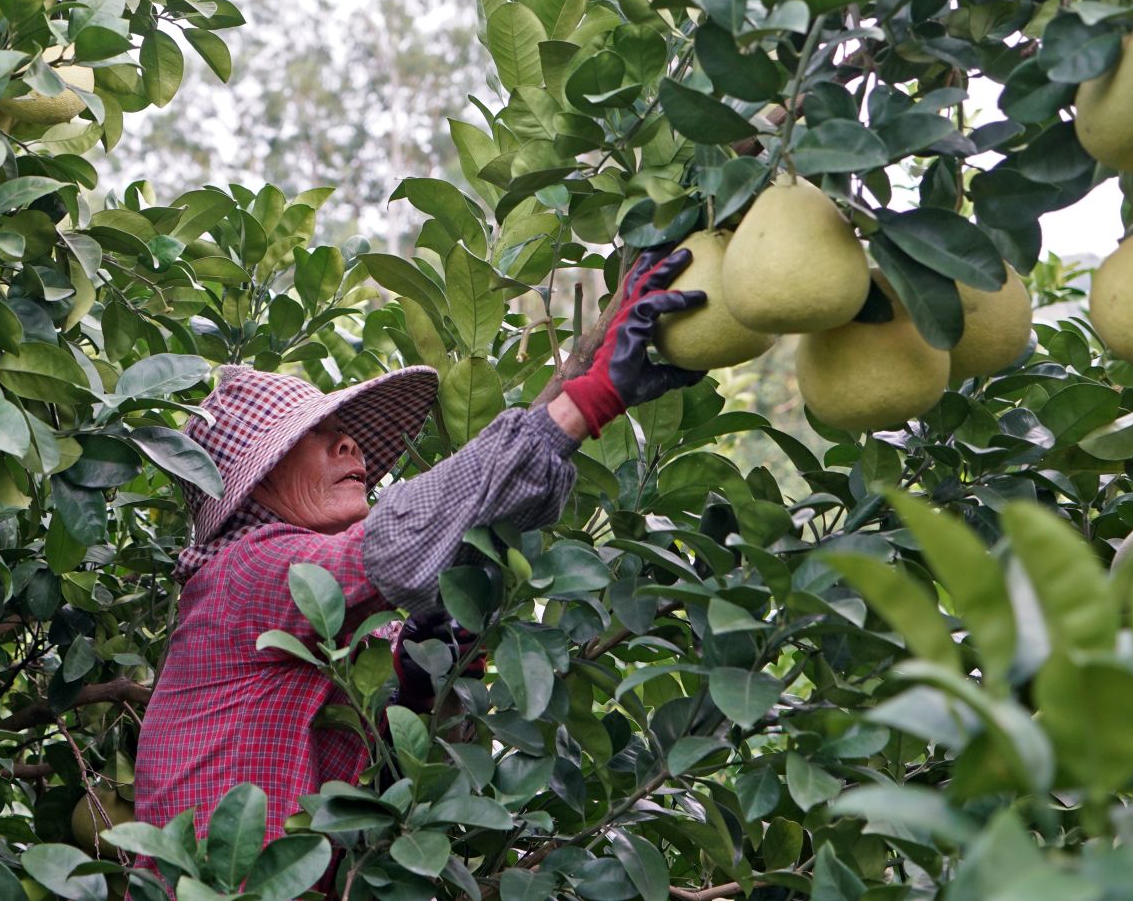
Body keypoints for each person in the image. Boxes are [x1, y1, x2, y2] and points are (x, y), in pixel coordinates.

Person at [130, 246, 706, 866]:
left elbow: (416, 769)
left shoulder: (339, 624)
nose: (348, 442)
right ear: (259, 482)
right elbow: (405, 543)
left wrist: (421, 678)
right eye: (316, 436)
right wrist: (585, 401)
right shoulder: (241, 573)